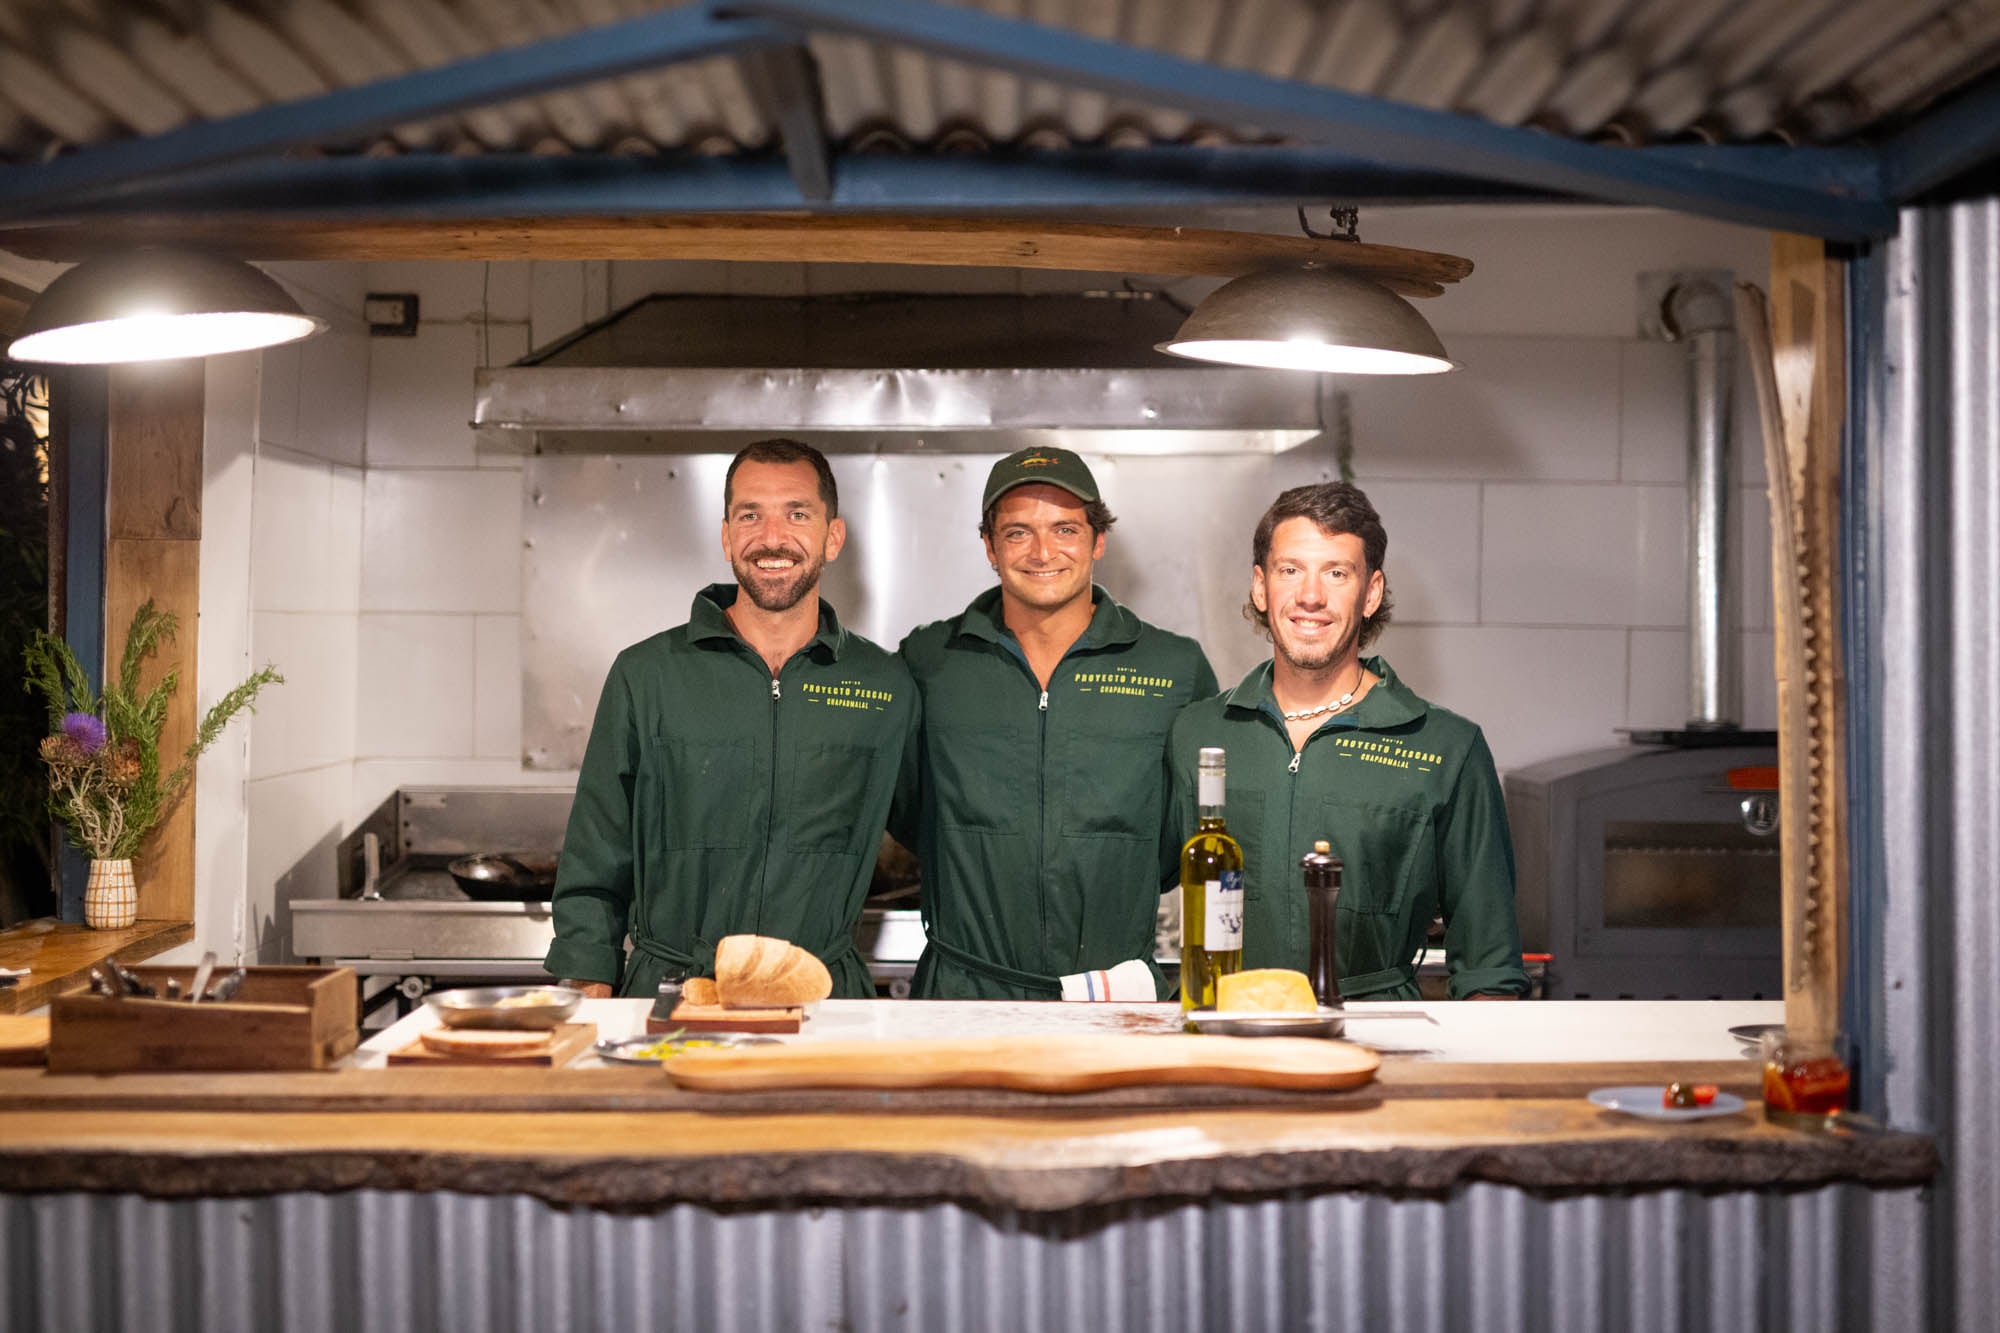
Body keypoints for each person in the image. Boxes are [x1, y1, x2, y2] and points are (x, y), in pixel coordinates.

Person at [545, 439, 918, 999]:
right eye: (750, 516)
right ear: (726, 536)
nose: (772, 538)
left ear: (832, 536)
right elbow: (596, 854)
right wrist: (593, 990)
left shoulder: (883, 685)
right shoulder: (647, 675)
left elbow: (941, 839)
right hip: (671, 990)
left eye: (797, 514)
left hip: (824, 999)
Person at [1165, 482, 1527, 1001]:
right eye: (1291, 570)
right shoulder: (1197, 734)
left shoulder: (1445, 747)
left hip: (1377, 1038)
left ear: (1371, 593)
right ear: (1261, 587)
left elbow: (1490, 966)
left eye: (1337, 573)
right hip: (1223, 1031)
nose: (1310, 596)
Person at [897, 446, 1218, 999]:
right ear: (990, 548)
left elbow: (1190, 830)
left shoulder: (1174, 669)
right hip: (963, 993)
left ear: (1098, 540)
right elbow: (907, 810)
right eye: (1018, 532)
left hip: (1115, 995)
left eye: (1065, 529)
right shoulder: (930, 661)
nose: (1043, 552)